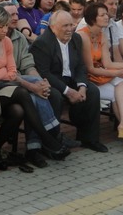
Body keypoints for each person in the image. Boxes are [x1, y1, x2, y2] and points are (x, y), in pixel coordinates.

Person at [0, 6, 71, 168]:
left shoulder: (6, 41)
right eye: (0, 26)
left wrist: (3, 72)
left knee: (18, 111)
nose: (5, 30)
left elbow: (12, 72)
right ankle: (47, 137)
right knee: (23, 92)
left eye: (6, 25)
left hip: (7, 87)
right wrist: (4, 72)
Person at [30, 11, 108, 152]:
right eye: (65, 26)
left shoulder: (76, 38)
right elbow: (44, 73)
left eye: (71, 25)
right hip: (52, 81)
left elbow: (80, 66)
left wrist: (82, 86)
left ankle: (89, 139)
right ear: (53, 28)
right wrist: (68, 91)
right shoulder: (42, 43)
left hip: (71, 78)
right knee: (55, 96)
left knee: (92, 91)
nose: (69, 29)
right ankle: (52, 141)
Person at [78, 3, 123, 153]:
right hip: (86, 78)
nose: (107, 17)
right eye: (102, 15)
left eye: (106, 14)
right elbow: (90, 68)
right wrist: (116, 73)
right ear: (93, 18)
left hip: (100, 74)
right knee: (121, 90)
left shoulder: (102, 35)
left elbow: (108, 63)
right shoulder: (83, 36)